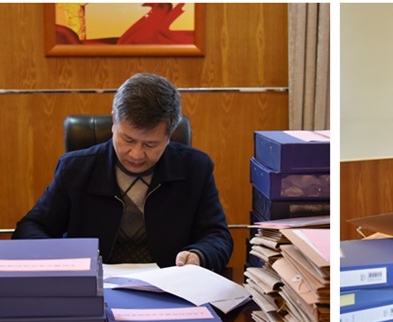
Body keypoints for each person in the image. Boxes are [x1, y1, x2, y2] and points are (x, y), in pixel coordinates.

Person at [14, 73, 233, 271]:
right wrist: (62, 258)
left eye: (150, 144)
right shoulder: (75, 169)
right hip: (96, 289)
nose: (136, 154)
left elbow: (217, 235)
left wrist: (198, 255)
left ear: (169, 135)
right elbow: (31, 228)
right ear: (114, 121)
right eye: (127, 139)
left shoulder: (195, 169)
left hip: (168, 289)